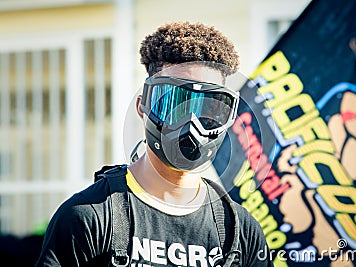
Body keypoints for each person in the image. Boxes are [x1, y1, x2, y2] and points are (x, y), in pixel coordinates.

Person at [35, 21, 272, 267]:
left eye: (209, 108)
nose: (192, 126)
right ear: (142, 106)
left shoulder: (241, 232)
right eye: (173, 104)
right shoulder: (88, 218)